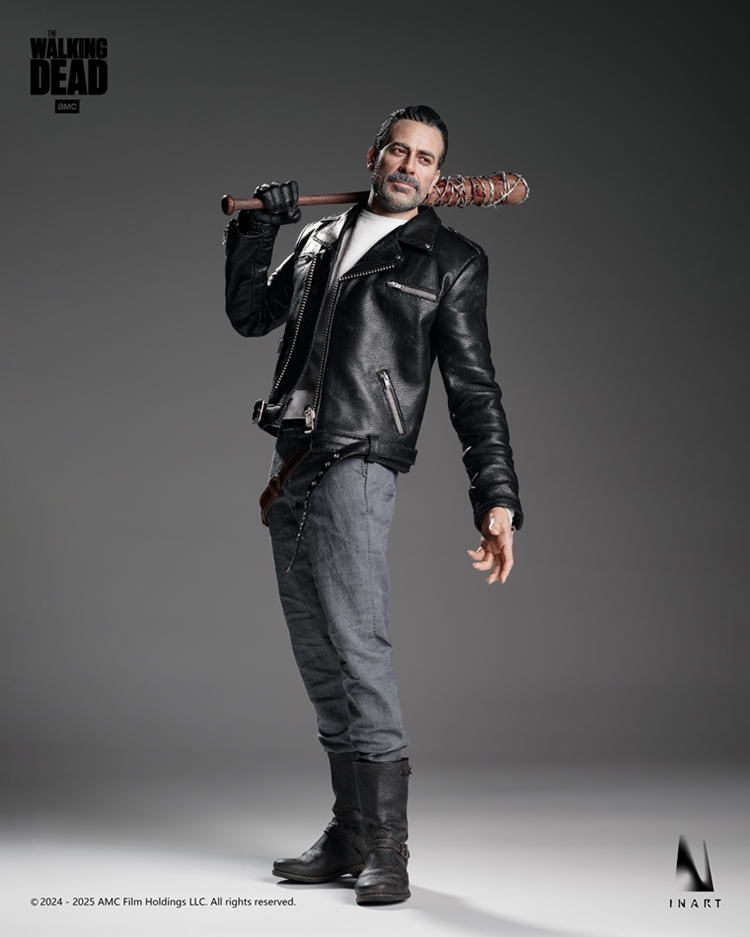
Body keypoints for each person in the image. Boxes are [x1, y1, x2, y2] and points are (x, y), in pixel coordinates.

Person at [224, 105, 523, 905]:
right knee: (317, 652)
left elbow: (475, 389)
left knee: (359, 647)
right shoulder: (321, 238)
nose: (409, 165)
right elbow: (251, 316)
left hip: (358, 462)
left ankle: (389, 846)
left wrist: (496, 497)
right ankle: (350, 831)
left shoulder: (449, 260)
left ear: (438, 176)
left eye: (425, 158)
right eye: (399, 150)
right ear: (375, 155)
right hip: (290, 461)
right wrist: (258, 229)